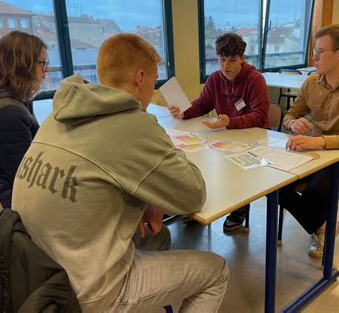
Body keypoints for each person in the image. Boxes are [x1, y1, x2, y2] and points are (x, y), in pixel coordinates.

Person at [12, 33, 228, 312]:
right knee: (216, 272)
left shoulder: (58, 115)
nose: (153, 91)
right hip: (87, 292)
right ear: (140, 78)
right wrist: (160, 142)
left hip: (34, 278)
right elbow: (193, 194)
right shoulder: (133, 123)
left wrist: (146, 199)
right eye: (154, 81)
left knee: (159, 237)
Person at [281, 24, 339, 258]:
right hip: (315, 155)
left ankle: (320, 228)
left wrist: (321, 141)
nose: (314, 57)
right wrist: (293, 123)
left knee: (315, 192)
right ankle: (324, 227)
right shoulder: (312, 82)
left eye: (320, 51)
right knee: (275, 184)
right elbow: (290, 115)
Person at [168, 32, 270, 232]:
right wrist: (183, 112)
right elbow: (201, 104)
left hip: (254, 140)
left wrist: (230, 121)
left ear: (242, 59)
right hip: (226, 134)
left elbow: (260, 116)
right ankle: (197, 204)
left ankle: (240, 210)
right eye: (222, 60)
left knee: (240, 171)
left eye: (232, 60)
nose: (226, 66)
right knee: (200, 162)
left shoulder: (255, 79)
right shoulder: (215, 78)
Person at [0, 31, 48, 208]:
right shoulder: (8, 113)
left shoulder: (1, 98)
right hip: (10, 212)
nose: (47, 70)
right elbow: (25, 179)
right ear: (23, 65)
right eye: (42, 63)